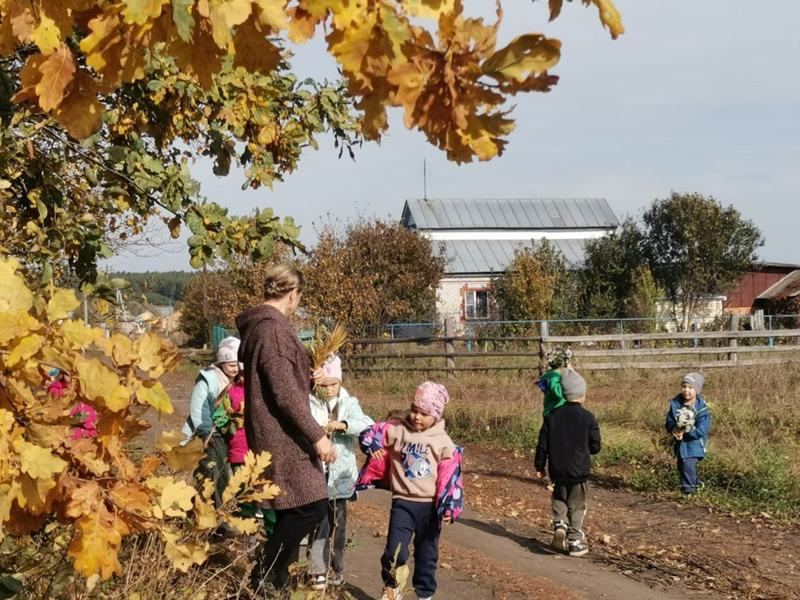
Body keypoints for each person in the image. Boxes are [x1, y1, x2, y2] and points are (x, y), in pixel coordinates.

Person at [236, 263, 336, 595]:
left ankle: (276, 581)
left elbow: (279, 380)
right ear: (293, 293)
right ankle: (265, 574)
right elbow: (283, 394)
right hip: (282, 434)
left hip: (273, 430)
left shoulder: (262, 328)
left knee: (296, 507)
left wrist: (303, 376)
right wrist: (317, 436)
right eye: (299, 298)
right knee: (312, 505)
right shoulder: (273, 329)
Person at [356, 381, 463, 600]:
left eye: (424, 413)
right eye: (414, 410)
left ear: (436, 415)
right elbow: (369, 433)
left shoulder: (443, 442)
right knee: (395, 551)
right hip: (402, 502)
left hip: (429, 507)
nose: (416, 417)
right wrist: (373, 446)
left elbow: (450, 476)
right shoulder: (398, 430)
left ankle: (424, 594)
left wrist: (449, 507)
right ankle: (392, 587)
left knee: (426, 553)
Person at [307, 355, 374, 590]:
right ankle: (316, 568)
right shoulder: (309, 402)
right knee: (319, 522)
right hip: (316, 473)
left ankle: (337, 567)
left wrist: (344, 425)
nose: (328, 390)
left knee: (339, 522)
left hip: (341, 475)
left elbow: (366, 423)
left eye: (333, 384)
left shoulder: (349, 403)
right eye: (324, 385)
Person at [534, 368, 601, 558]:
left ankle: (560, 523)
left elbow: (542, 444)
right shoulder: (588, 417)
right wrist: (592, 449)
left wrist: (540, 465)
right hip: (579, 470)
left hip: (558, 468)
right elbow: (595, 444)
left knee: (559, 497)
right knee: (577, 504)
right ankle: (574, 541)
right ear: (582, 394)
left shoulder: (552, 416)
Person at [181, 335, 240, 509]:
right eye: (231, 365)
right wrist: (205, 430)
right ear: (221, 362)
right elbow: (199, 407)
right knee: (212, 475)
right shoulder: (209, 379)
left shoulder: (235, 380)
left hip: (224, 433)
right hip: (210, 434)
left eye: (238, 364)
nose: (235, 369)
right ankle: (209, 512)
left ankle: (211, 511)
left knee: (221, 475)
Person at [665, 372, 710, 494]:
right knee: (681, 467)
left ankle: (688, 492)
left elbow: (702, 429)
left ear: (697, 390)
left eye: (690, 388)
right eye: (684, 387)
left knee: (687, 466)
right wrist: (673, 428)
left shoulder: (701, 408)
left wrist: (687, 431)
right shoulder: (676, 404)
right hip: (680, 443)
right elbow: (669, 420)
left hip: (694, 443)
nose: (686, 390)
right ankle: (697, 484)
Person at [48, 368, 97, 440]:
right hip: (65, 421)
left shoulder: (81, 388)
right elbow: (54, 408)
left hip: (81, 419)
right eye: (67, 372)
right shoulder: (55, 388)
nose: (71, 375)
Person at [536, 346, 574, 417]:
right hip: (555, 412)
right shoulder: (554, 376)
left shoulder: (549, 374)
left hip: (552, 412)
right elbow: (559, 393)